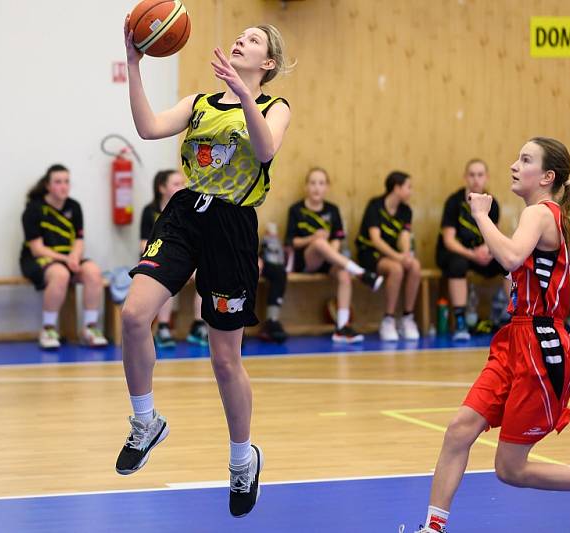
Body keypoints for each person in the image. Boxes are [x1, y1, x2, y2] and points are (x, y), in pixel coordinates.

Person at [412, 138, 570, 533]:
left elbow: (512, 256)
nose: (514, 165)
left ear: (547, 177)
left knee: (510, 469)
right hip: (515, 342)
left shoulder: (539, 214)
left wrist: (482, 216)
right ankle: (433, 528)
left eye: (526, 159)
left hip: (537, 347)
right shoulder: (552, 220)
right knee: (459, 430)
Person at [116, 21, 291, 518]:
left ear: (268, 63)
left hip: (233, 225)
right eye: (241, 36)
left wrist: (243, 95)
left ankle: (242, 460)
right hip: (185, 213)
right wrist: (133, 65)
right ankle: (145, 421)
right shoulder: (198, 104)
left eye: (254, 40)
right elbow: (148, 128)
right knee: (133, 315)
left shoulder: (275, 107)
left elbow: (264, 151)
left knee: (223, 359)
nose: (241, 41)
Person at [286, 167, 383, 343]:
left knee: (344, 275)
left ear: (327, 187)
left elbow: (337, 239)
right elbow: (291, 242)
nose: (317, 187)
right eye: (313, 183)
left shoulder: (333, 209)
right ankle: (361, 272)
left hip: (329, 257)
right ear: (306, 187)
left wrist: (328, 251)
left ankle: (342, 328)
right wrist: (312, 238)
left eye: (321, 183)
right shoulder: (296, 210)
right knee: (319, 242)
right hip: (305, 260)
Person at [20, 164, 108, 349]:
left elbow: (79, 239)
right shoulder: (34, 210)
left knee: (93, 271)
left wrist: (75, 256)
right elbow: (37, 249)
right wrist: (66, 260)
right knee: (60, 274)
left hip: (68, 258)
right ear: (48, 186)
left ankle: (89, 328)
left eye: (67, 182)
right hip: (37, 260)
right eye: (58, 182)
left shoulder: (74, 207)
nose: (63, 186)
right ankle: (48, 328)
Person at [436, 159, 510, 341]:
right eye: (472, 175)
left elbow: (495, 235)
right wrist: (472, 254)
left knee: (508, 262)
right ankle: (460, 321)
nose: (476, 179)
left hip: (481, 255)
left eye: (480, 175)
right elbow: (449, 240)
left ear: (486, 177)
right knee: (457, 264)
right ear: (465, 177)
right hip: (458, 253)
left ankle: (514, 315)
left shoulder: (493, 203)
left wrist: (488, 250)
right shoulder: (454, 202)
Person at [140, 170, 207, 348]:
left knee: (206, 275)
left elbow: (196, 242)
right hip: (158, 258)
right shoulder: (150, 211)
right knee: (164, 276)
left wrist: (193, 265)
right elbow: (144, 244)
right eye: (176, 184)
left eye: (183, 183)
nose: (182, 187)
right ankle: (163, 327)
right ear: (162, 188)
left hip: (185, 259)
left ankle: (198, 325)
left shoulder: (189, 210)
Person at [356, 171, 422, 341]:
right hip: (369, 253)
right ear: (397, 188)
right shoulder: (375, 206)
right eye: (408, 187)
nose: (411, 191)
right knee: (396, 269)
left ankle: (407, 317)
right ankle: (388, 319)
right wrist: (399, 258)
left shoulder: (406, 210)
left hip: (392, 253)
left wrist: (406, 254)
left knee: (414, 266)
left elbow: (404, 235)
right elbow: (376, 240)